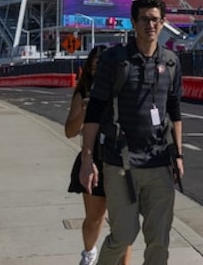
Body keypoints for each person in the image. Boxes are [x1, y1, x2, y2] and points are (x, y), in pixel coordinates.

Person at [79, 0, 183, 265]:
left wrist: (179, 155)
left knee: (159, 238)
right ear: (134, 23)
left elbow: (174, 111)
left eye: (156, 19)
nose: (151, 24)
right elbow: (95, 110)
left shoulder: (170, 61)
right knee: (124, 234)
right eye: (145, 19)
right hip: (121, 163)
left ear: (163, 23)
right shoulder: (115, 60)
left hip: (160, 163)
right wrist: (88, 160)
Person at [65, 46, 131, 265]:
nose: (97, 71)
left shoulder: (122, 90)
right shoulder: (83, 94)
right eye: (94, 67)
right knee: (94, 218)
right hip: (93, 159)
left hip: (120, 160)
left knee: (122, 223)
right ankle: (89, 253)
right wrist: (86, 109)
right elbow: (70, 131)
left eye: (102, 67)